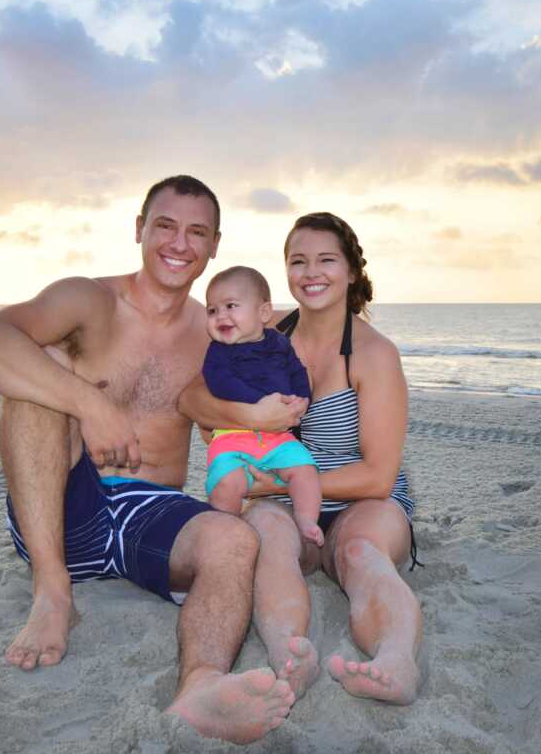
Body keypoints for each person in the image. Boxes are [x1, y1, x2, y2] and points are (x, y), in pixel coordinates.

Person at [0, 175, 297, 744]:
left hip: (152, 509)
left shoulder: (217, 327)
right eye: (165, 225)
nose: (179, 243)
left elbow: (301, 341)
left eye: (197, 232)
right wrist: (89, 402)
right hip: (67, 510)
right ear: (139, 229)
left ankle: (200, 687)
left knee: (234, 542)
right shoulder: (87, 299)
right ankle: (52, 592)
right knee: (36, 371)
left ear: (215, 245)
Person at [180, 212, 423, 704]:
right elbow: (191, 398)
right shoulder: (262, 335)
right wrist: (247, 413)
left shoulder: (373, 354)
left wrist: (271, 487)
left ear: (352, 271)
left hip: (362, 496)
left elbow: (378, 476)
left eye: (326, 260)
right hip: (289, 492)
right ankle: (289, 656)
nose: (311, 272)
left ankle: (397, 661)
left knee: (357, 553)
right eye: (298, 261)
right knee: (269, 538)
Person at [202, 265, 323, 546]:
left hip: (278, 437)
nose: (221, 315)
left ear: (264, 313)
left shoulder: (280, 344)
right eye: (212, 310)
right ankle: (226, 529)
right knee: (227, 483)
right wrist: (258, 405)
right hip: (232, 437)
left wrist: (302, 399)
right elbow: (219, 381)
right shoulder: (218, 351)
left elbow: (296, 371)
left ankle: (306, 520)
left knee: (305, 471)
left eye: (230, 306)